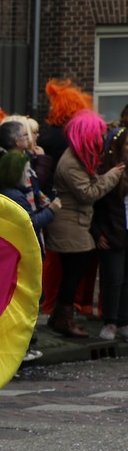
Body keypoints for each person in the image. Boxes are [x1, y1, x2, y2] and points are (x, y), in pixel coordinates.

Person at [46, 110, 126, 337]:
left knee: (74, 272)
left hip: (76, 223)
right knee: (73, 273)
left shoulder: (78, 158)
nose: (101, 138)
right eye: (98, 134)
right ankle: (64, 319)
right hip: (70, 226)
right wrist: (112, 175)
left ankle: (59, 316)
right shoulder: (71, 163)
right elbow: (88, 194)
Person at [0, 150, 60, 360]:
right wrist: (51, 210)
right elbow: (29, 225)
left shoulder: (14, 192)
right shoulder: (15, 196)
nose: (28, 175)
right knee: (27, 301)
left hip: (18, 255)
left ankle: (25, 345)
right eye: (25, 171)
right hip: (22, 256)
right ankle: (22, 348)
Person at [93, 127, 128, 342]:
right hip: (112, 233)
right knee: (113, 279)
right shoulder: (108, 170)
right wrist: (98, 233)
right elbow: (96, 206)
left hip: (124, 231)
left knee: (126, 281)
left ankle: (123, 321)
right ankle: (110, 321)